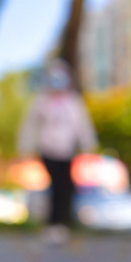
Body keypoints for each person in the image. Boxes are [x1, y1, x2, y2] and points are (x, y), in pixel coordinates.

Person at [17, 59, 98, 244]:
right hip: (47, 148)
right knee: (55, 185)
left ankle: (63, 222)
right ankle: (53, 224)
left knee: (67, 186)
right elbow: (30, 126)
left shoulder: (73, 101)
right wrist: (25, 147)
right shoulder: (41, 101)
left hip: (67, 149)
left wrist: (88, 145)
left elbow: (82, 125)